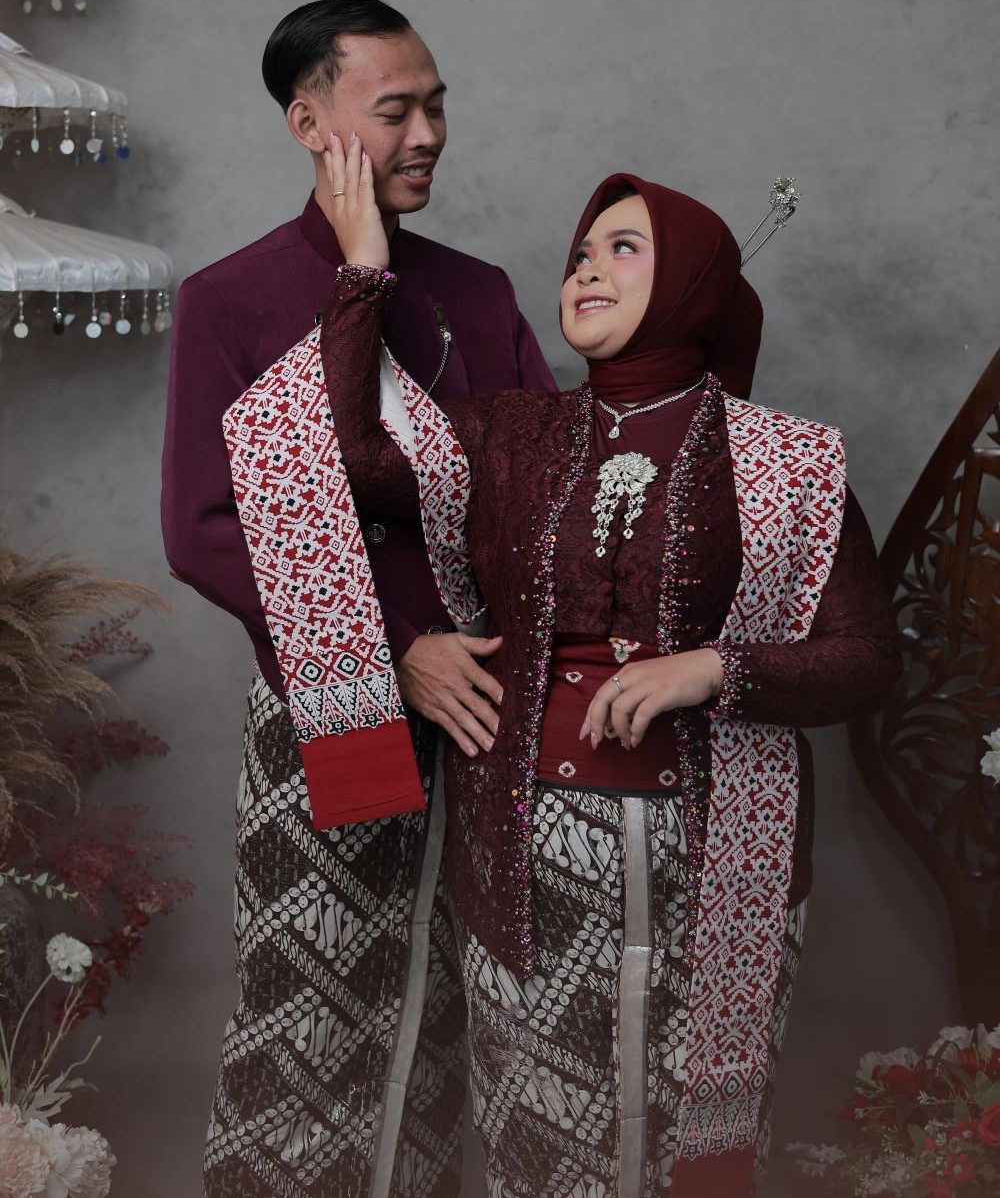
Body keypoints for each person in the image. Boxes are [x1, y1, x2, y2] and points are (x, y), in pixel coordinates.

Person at [242, 141, 901, 1197]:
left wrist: (710, 672)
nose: (586, 268)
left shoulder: (789, 461)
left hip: (719, 861)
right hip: (525, 864)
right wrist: (363, 271)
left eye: (623, 248)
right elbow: (348, 452)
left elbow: (868, 661)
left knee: (699, 1153)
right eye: (580, 253)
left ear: (695, 283)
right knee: (540, 1149)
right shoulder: (509, 435)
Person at [161, 0, 554, 1198]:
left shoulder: (477, 292)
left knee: (465, 1015)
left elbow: (541, 492)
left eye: (437, 105)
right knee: (314, 1009)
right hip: (332, 705)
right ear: (308, 123)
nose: (427, 134)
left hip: (487, 708)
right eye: (395, 110)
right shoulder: (233, 297)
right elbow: (204, 531)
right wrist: (396, 650)